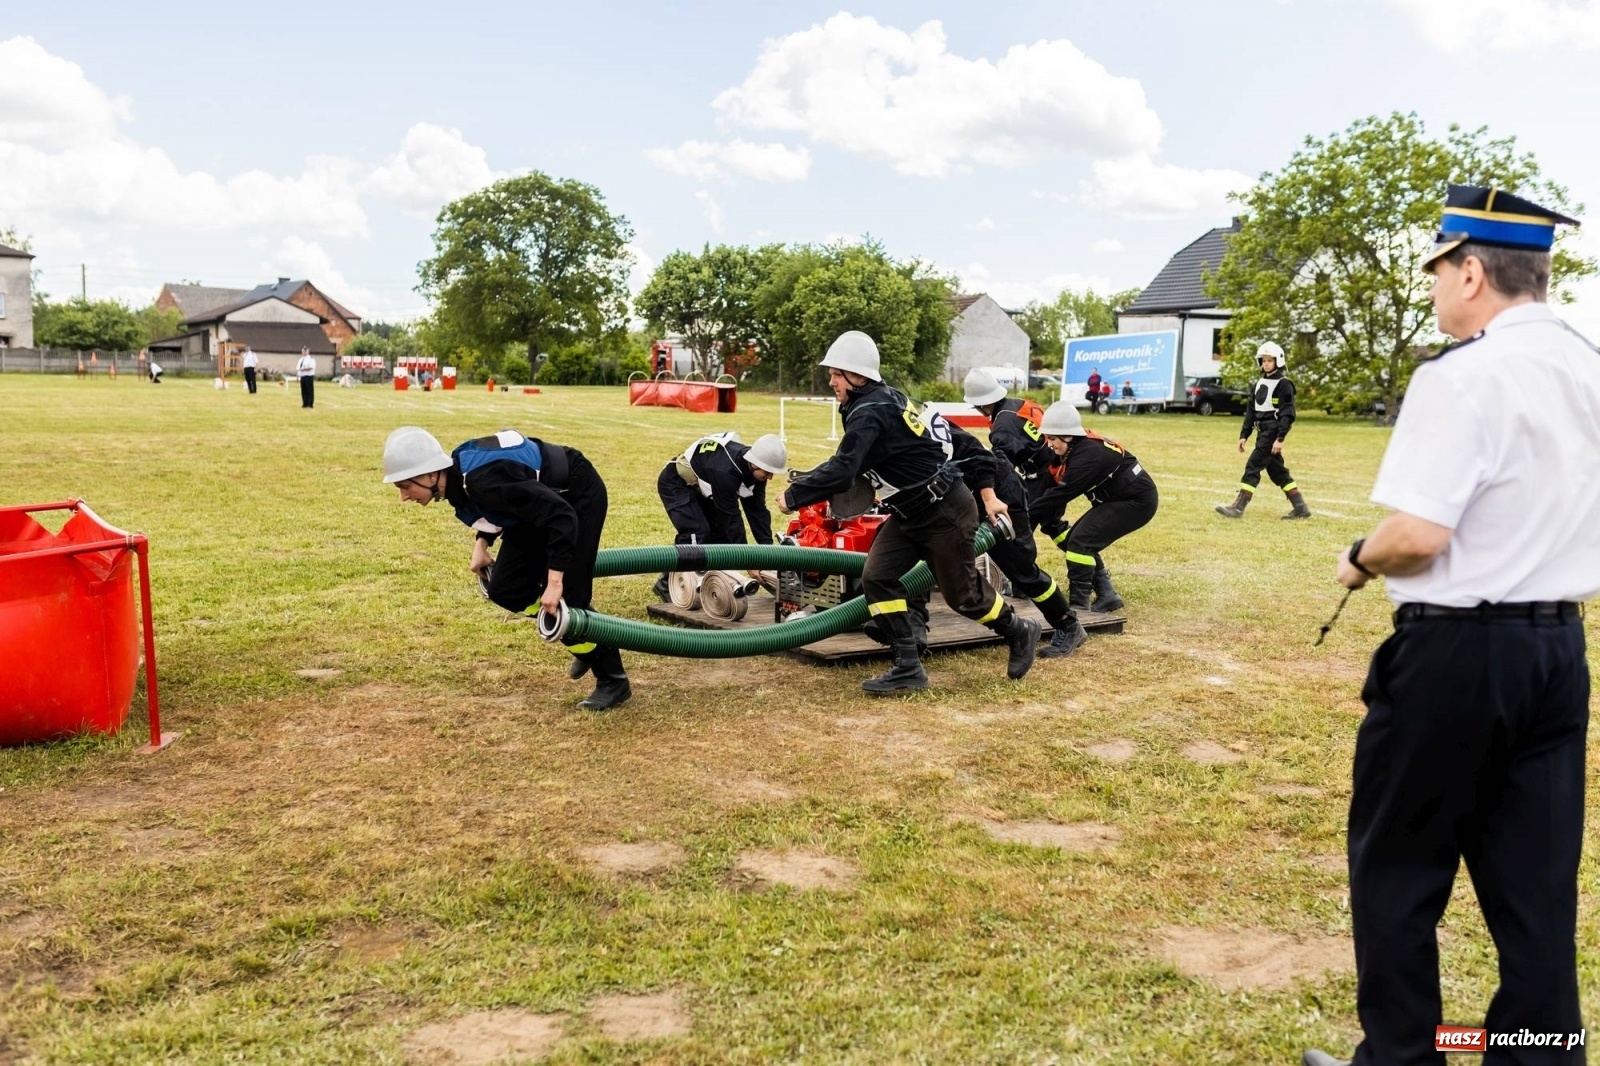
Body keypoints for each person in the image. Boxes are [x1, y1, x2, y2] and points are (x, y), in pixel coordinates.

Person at [1305, 186, 1599, 1066]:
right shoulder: (1590, 365)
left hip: (1457, 652)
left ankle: (1400, 1058)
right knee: (1536, 889)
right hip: (1559, 649)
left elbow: (1421, 536)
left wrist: (1360, 555)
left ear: (1471, 270)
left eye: (1438, 270)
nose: (1436, 289)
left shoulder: (1463, 373)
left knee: (1399, 871)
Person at [777, 331, 1039, 693]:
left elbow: (845, 469)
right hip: (909, 514)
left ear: (858, 376)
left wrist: (795, 495)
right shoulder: (887, 402)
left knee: (963, 596)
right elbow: (852, 461)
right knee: (876, 577)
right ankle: (907, 667)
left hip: (944, 511)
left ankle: (1018, 629)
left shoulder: (871, 411)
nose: (831, 380)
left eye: (837, 373)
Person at [380, 426, 632, 711]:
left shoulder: (482, 481)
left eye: (404, 486)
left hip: (575, 496)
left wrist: (555, 581)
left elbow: (561, 517)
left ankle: (612, 679)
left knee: (569, 601)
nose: (403, 497)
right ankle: (580, 638)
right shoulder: (459, 478)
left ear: (428, 475)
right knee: (506, 588)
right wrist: (482, 544)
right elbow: (500, 507)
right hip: (540, 506)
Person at [966, 368, 1124, 612]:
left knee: (1019, 528)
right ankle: (1104, 586)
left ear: (981, 405)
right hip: (1053, 468)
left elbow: (1002, 464)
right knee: (1053, 526)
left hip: (1040, 476)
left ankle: (1024, 585)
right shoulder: (1018, 404)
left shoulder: (1003, 426)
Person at [944, 418, 1087, 657]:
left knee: (1020, 568)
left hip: (996, 489)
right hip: (963, 494)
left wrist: (989, 499)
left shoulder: (922, 422)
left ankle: (1068, 624)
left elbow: (982, 458)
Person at [1033, 403, 1158, 611]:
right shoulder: (1074, 449)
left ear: (1068, 436)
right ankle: (1107, 594)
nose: (1049, 444)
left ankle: (1079, 606)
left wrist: (1026, 513)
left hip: (1136, 502)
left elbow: (1061, 494)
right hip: (1118, 498)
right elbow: (1050, 485)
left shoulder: (1088, 456)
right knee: (1080, 538)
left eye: (1053, 438)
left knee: (1080, 542)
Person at [654, 431, 785, 600]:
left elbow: (758, 513)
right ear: (754, 463)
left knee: (720, 536)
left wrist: (767, 554)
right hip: (676, 483)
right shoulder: (725, 471)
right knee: (696, 533)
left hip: (703, 486)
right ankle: (667, 585)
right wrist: (749, 562)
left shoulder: (757, 473)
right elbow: (731, 518)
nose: (770, 477)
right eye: (768, 472)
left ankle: (712, 584)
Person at [1215, 341, 1311, 519]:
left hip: (1272, 432)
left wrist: (1280, 438)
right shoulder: (1259, 383)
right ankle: (1301, 508)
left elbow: (1287, 414)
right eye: (1263, 360)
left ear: (1278, 361)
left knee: (1253, 466)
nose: (1266, 363)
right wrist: (1244, 435)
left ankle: (1238, 507)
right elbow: (1251, 411)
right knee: (1278, 472)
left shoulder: (1284, 384)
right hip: (1262, 432)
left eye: (1269, 360)